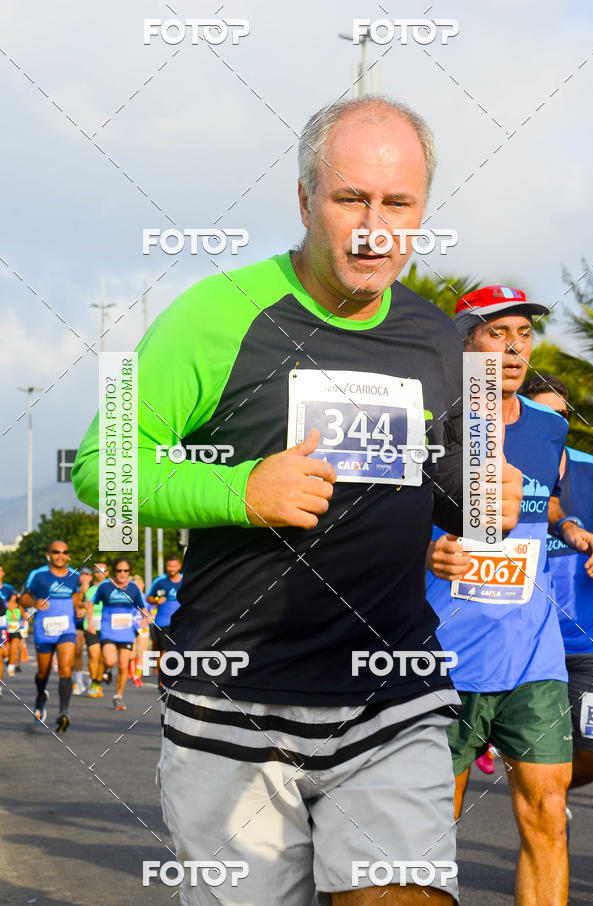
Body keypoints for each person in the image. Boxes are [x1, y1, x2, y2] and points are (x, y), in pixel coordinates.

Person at [73, 96, 522, 905]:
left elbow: (465, 496)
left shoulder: (443, 340)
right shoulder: (211, 313)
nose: (374, 228)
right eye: (351, 199)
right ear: (306, 198)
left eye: (398, 204)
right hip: (232, 708)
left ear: (424, 210)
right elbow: (101, 473)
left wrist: (492, 494)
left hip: (393, 695)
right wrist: (240, 489)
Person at [427, 288, 593, 906]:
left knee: (549, 814)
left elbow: (540, 500)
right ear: (465, 340)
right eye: (496, 333)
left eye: (523, 334)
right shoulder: (433, 418)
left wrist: (571, 526)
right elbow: (372, 513)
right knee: (428, 832)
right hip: (444, 657)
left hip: (533, 654)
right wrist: (423, 551)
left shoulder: (550, 424)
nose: (513, 347)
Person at [521, 374, 593, 789]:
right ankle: (544, 800)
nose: (557, 422)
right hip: (531, 642)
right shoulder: (502, 467)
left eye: (563, 415)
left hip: (588, 645)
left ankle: (551, 795)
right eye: (545, 414)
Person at [21, 540, 82, 732]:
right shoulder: (38, 575)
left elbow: (75, 599)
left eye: (64, 552)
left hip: (67, 630)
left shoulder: (75, 575)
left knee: (65, 669)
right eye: (56, 552)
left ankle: (63, 712)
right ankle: (41, 696)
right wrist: (33, 602)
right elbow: (22, 598)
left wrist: (79, 610)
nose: (61, 555)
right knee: (42, 673)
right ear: (49, 554)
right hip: (44, 631)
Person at [89, 557, 147, 711]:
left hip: (126, 633)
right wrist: (89, 624)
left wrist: (144, 620)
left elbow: (143, 607)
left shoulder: (134, 588)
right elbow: (90, 604)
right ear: (114, 571)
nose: (122, 573)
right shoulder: (104, 587)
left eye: (126, 571)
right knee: (109, 660)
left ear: (129, 572)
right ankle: (107, 670)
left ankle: (118, 696)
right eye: (119, 570)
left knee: (123, 665)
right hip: (108, 630)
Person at [146, 555, 183, 684]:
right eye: (169, 566)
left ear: (179, 566)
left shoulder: (185, 580)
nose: (171, 569)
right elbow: (149, 598)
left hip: (181, 622)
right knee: (164, 650)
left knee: (181, 649)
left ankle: (178, 677)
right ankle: (162, 678)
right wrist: (156, 600)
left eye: (173, 566)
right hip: (163, 621)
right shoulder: (160, 581)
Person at [82, 562, 108, 698]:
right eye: (97, 571)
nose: (99, 573)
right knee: (94, 654)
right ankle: (93, 683)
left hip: (106, 627)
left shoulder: (111, 589)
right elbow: (85, 606)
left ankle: (98, 682)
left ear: (107, 573)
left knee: (103, 658)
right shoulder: (90, 590)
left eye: (102, 570)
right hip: (91, 626)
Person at [73, 566, 93, 694]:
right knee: (78, 651)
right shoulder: (75, 589)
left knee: (93, 654)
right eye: (82, 575)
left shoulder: (94, 590)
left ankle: (92, 680)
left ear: (91, 577)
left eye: (87, 575)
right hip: (78, 623)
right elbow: (76, 604)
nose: (84, 577)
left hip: (91, 623)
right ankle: (79, 682)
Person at [0, 565, 19, 693]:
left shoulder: (8, 589)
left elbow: (14, 603)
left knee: (2, 653)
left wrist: (13, 612)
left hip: (3, 621)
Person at [131, 574, 150, 688]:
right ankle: (131, 672)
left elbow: (151, 611)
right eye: (135, 585)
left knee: (142, 651)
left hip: (143, 627)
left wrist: (147, 619)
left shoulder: (146, 598)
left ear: (143, 585)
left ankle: (137, 676)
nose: (137, 587)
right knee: (131, 653)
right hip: (132, 626)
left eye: (139, 585)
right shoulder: (129, 597)